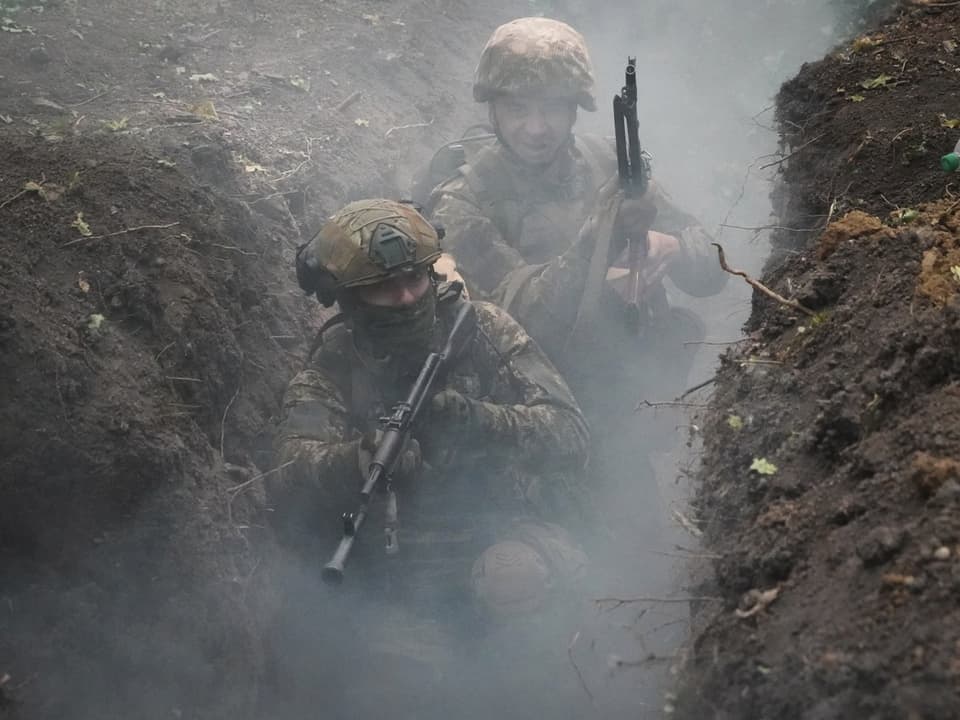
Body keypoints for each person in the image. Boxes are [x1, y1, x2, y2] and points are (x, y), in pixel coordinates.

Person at [265, 199, 592, 714]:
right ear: (347, 299)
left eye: (415, 279)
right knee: (398, 687)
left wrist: (478, 420)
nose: (405, 297)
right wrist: (356, 458)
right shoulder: (333, 366)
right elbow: (287, 469)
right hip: (399, 580)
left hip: (506, 536)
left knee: (515, 587)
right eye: (382, 287)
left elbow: (571, 434)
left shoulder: (482, 329)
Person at [426, 17, 728, 396]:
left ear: (574, 111)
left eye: (552, 109)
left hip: (636, 390)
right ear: (493, 111)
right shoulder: (461, 201)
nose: (536, 128)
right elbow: (521, 323)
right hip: (538, 407)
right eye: (518, 109)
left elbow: (716, 271)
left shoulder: (607, 162)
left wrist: (675, 250)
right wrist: (600, 241)